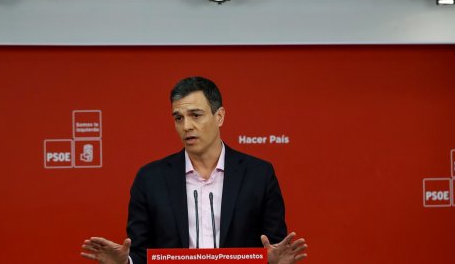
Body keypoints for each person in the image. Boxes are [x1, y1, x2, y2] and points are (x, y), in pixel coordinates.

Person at [81, 77, 307, 264]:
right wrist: (125, 263)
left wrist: (277, 262)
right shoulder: (150, 179)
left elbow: (273, 249)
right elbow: (141, 254)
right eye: (178, 118)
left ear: (219, 117)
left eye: (195, 115)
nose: (186, 126)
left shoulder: (259, 174)